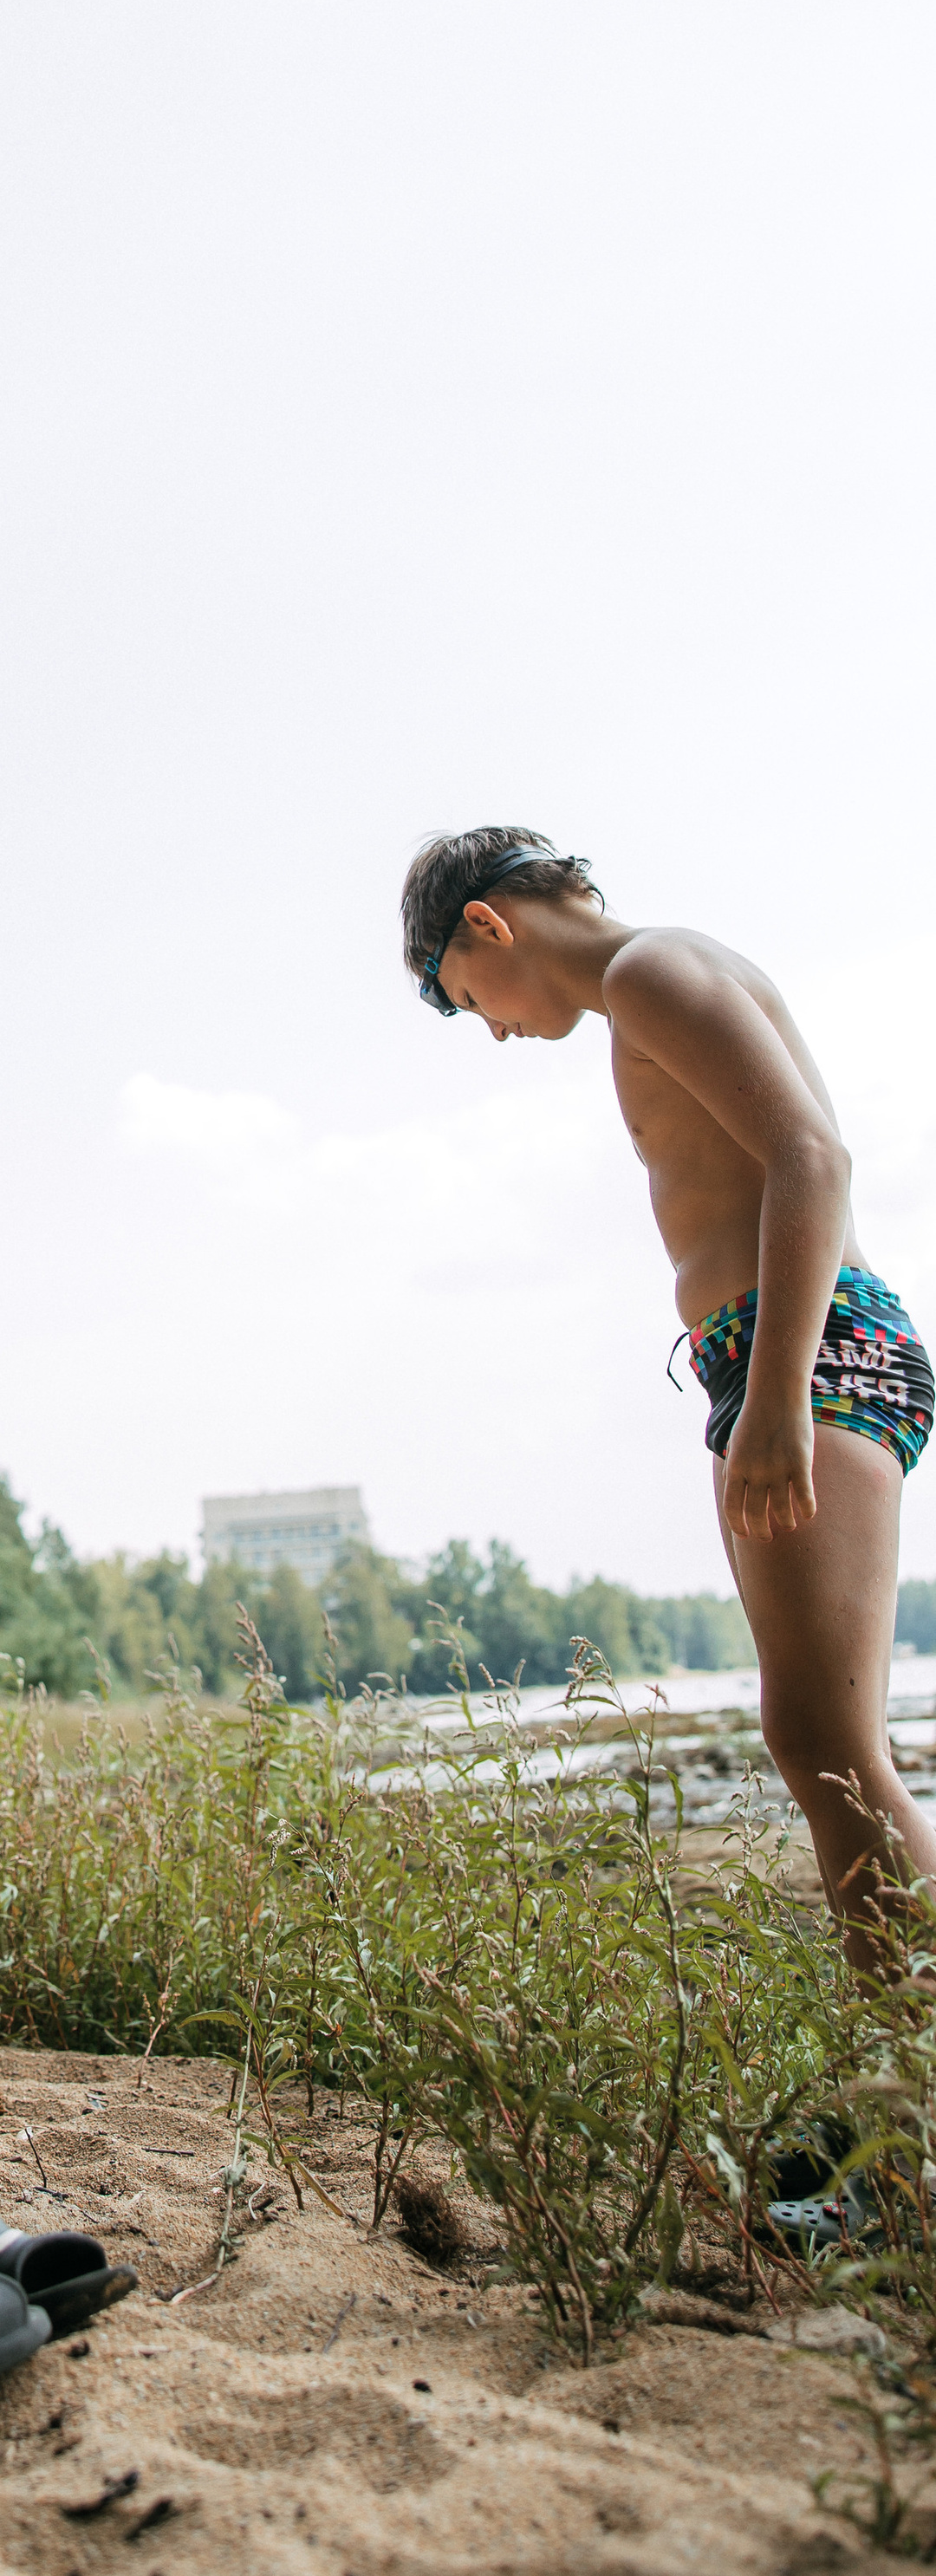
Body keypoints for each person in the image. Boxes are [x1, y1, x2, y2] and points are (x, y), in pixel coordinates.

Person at [403, 829, 934, 1968]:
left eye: (470, 996)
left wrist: (779, 1401)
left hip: (816, 1351)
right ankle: (899, 2092)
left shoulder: (649, 969)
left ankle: (912, 2088)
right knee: (818, 1738)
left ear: (490, 925)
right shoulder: (646, 985)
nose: (494, 1026)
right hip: (777, 1356)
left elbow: (814, 1158)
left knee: (831, 1744)